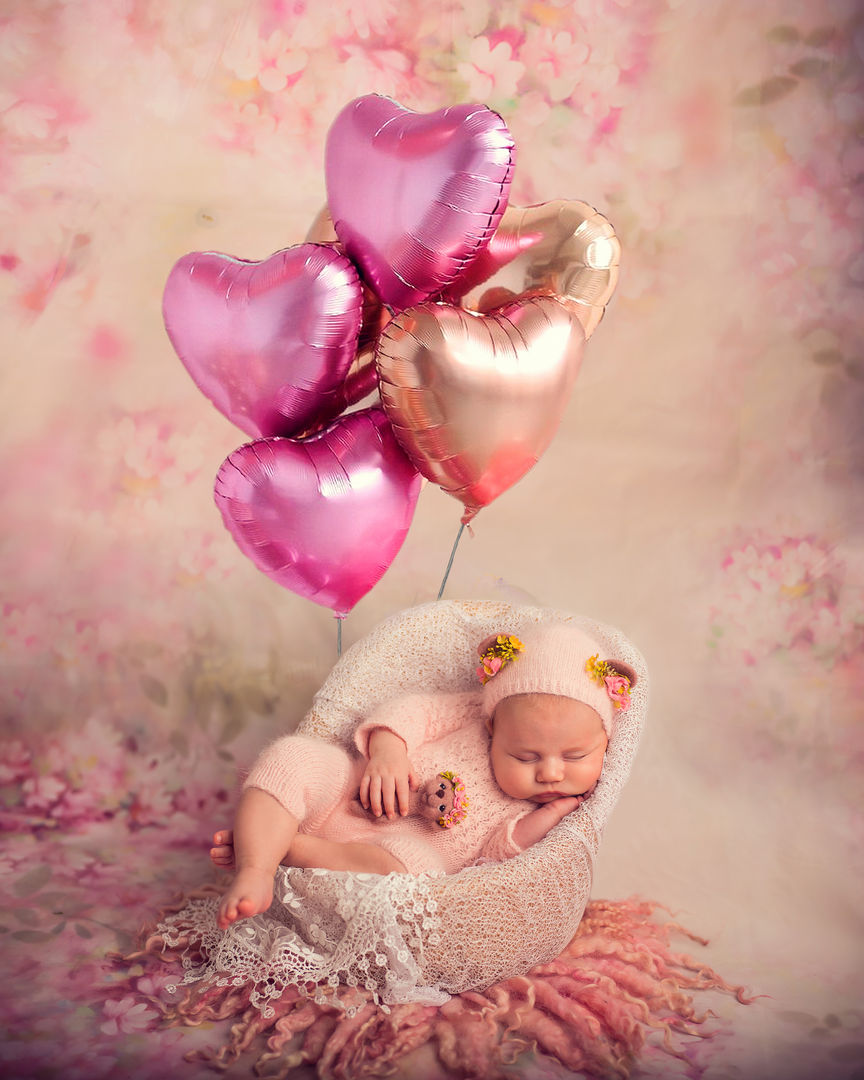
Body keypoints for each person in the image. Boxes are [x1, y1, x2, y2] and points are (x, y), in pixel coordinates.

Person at [212, 622, 636, 930]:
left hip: (397, 852)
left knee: (419, 877)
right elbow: (412, 712)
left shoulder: (543, 806)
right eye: (524, 756)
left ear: (604, 743)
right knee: (292, 756)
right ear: (493, 728)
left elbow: (494, 857)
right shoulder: (473, 713)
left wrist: (540, 822)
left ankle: (285, 848)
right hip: (347, 792)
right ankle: (255, 869)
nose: (550, 772)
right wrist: (388, 751)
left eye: (575, 755)